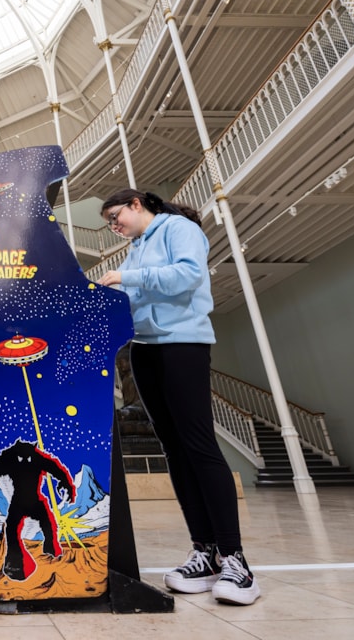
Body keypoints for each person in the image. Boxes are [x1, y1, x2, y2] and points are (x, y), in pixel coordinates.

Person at [96, 189, 260, 606]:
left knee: (199, 446)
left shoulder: (179, 229)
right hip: (145, 349)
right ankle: (203, 551)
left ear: (137, 204)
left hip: (183, 344)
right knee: (174, 451)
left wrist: (125, 278)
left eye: (115, 216)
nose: (114, 226)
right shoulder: (136, 247)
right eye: (108, 222)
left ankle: (235, 559)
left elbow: (186, 276)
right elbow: (135, 295)